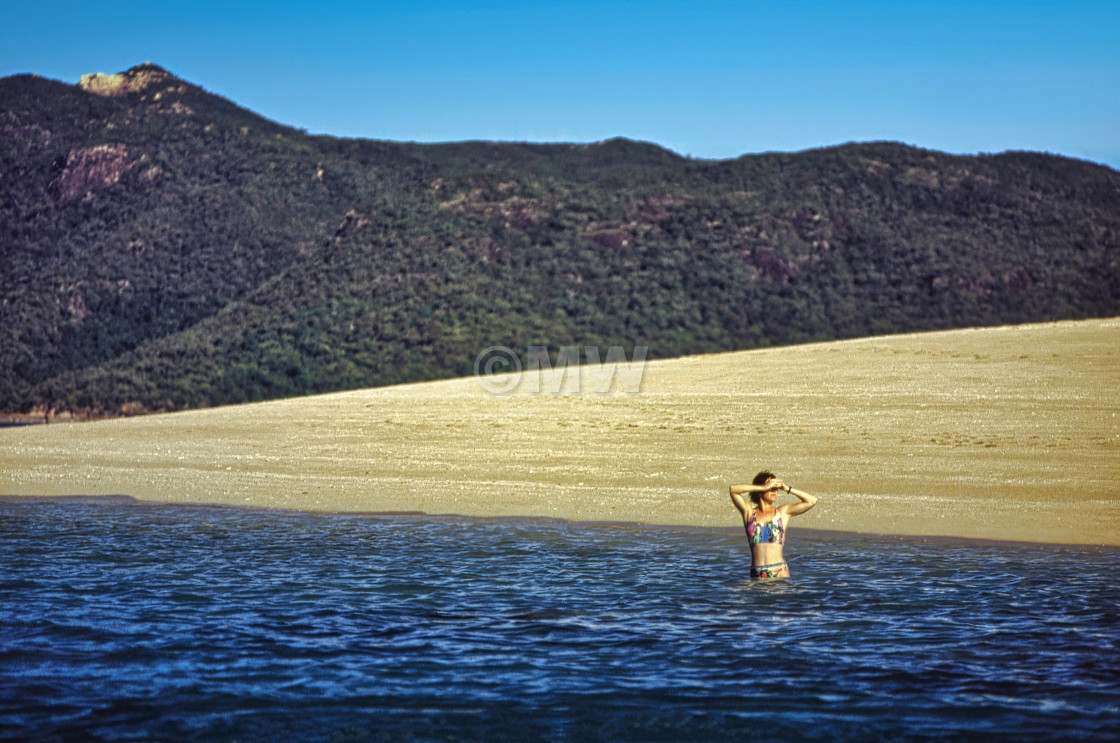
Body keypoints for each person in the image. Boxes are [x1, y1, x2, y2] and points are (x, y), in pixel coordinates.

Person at [729, 471, 818, 579]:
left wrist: (787, 489)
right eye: (771, 487)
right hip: (756, 573)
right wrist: (762, 488)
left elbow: (812, 501)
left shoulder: (782, 513)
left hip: (779, 571)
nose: (774, 491)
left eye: (776, 488)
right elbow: (733, 490)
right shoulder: (749, 513)